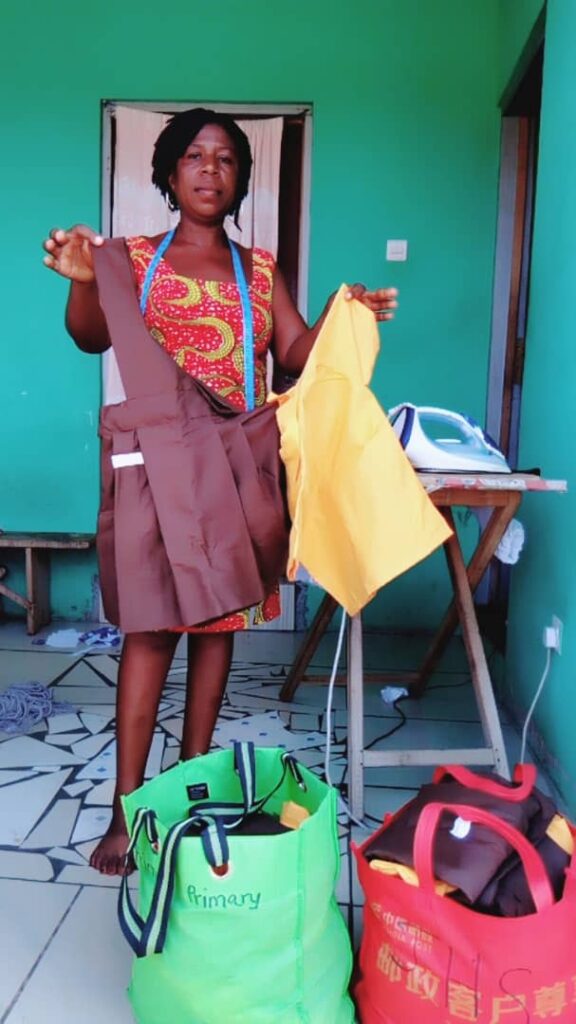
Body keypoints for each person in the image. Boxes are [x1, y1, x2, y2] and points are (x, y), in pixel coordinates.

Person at [42, 108, 398, 875]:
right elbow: (90, 335)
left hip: (235, 470)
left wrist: (347, 315)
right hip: (156, 474)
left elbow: (296, 354)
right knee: (149, 634)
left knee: (216, 634)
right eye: (195, 157)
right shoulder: (134, 258)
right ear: (169, 174)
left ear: (240, 179)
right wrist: (83, 282)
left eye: (227, 159)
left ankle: (191, 785)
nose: (210, 169)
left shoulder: (260, 271)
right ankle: (127, 812)